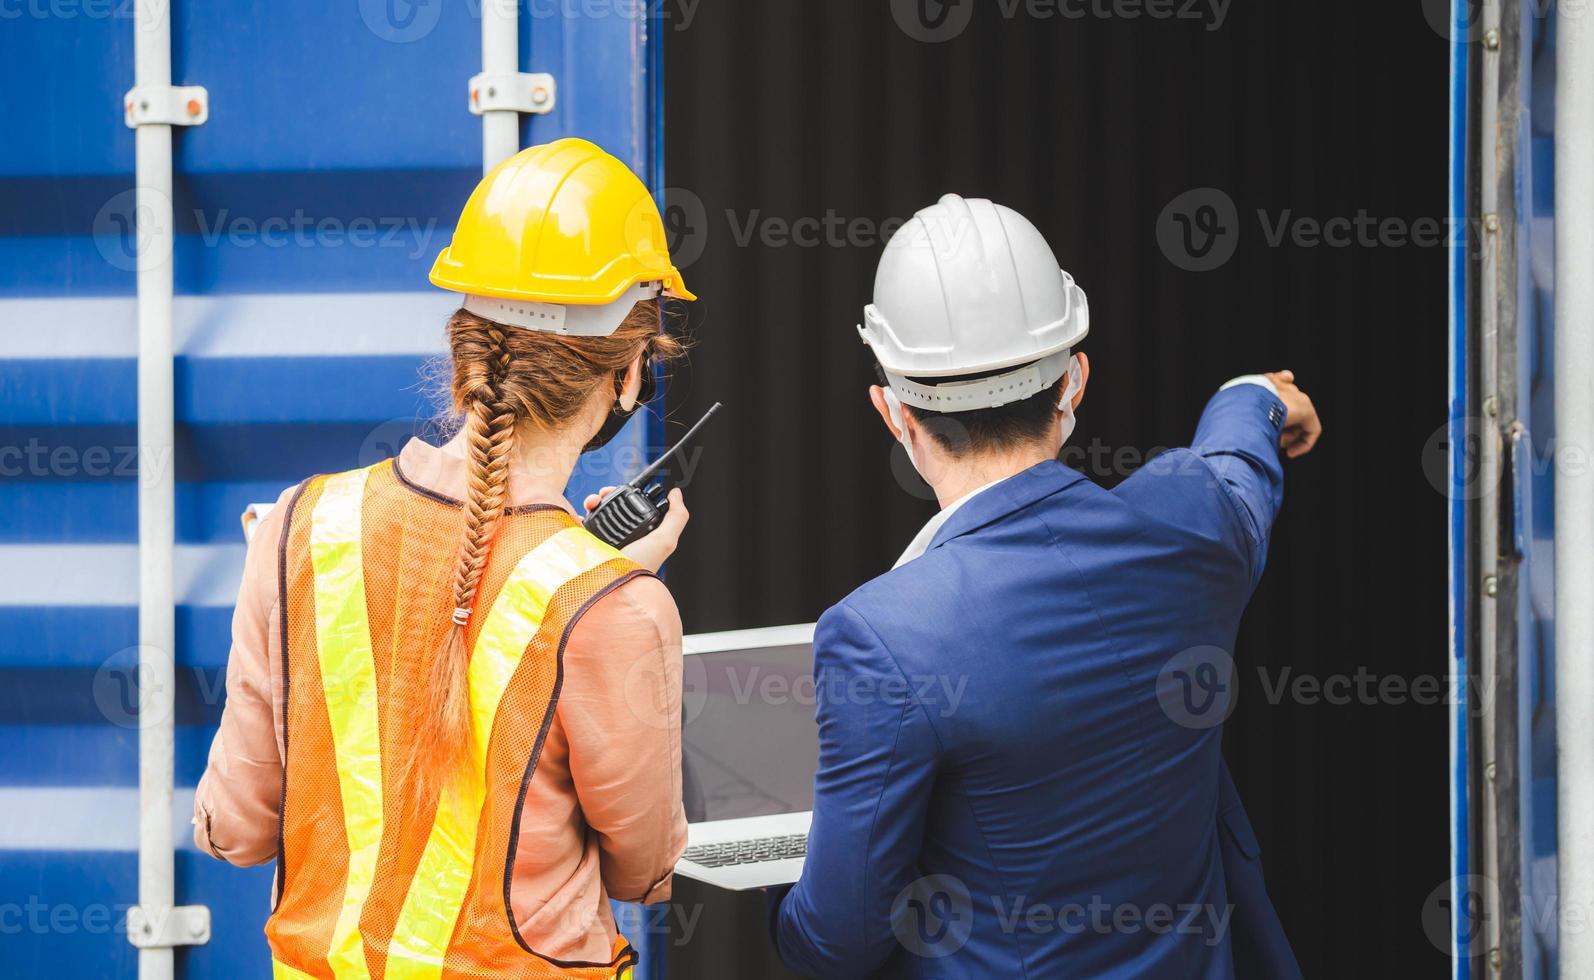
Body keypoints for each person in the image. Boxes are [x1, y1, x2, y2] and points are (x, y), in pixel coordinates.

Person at [769, 194, 1319, 977]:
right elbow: (1237, 468)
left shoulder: (883, 634)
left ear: (893, 414)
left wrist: (786, 881)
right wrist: (1256, 396)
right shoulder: (1193, 525)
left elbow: (840, 941)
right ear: (1075, 382)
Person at [194, 138, 695, 979]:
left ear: (464, 350)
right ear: (631, 373)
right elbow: (643, 869)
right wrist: (609, 589)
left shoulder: (298, 525)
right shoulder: (617, 604)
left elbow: (235, 828)